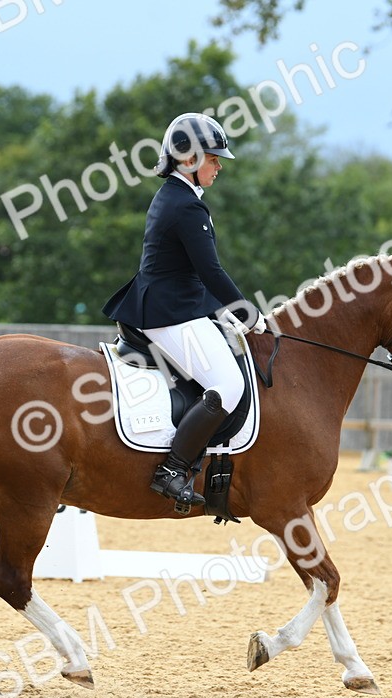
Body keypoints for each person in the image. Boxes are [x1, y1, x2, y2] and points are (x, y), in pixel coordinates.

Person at [102, 113, 265, 506]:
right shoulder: (186, 206)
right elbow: (210, 270)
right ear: (189, 160)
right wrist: (249, 314)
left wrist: (221, 312)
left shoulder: (179, 199)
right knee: (228, 385)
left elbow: (193, 273)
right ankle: (172, 469)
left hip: (178, 304)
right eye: (213, 157)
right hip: (169, 314)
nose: (219, 165)